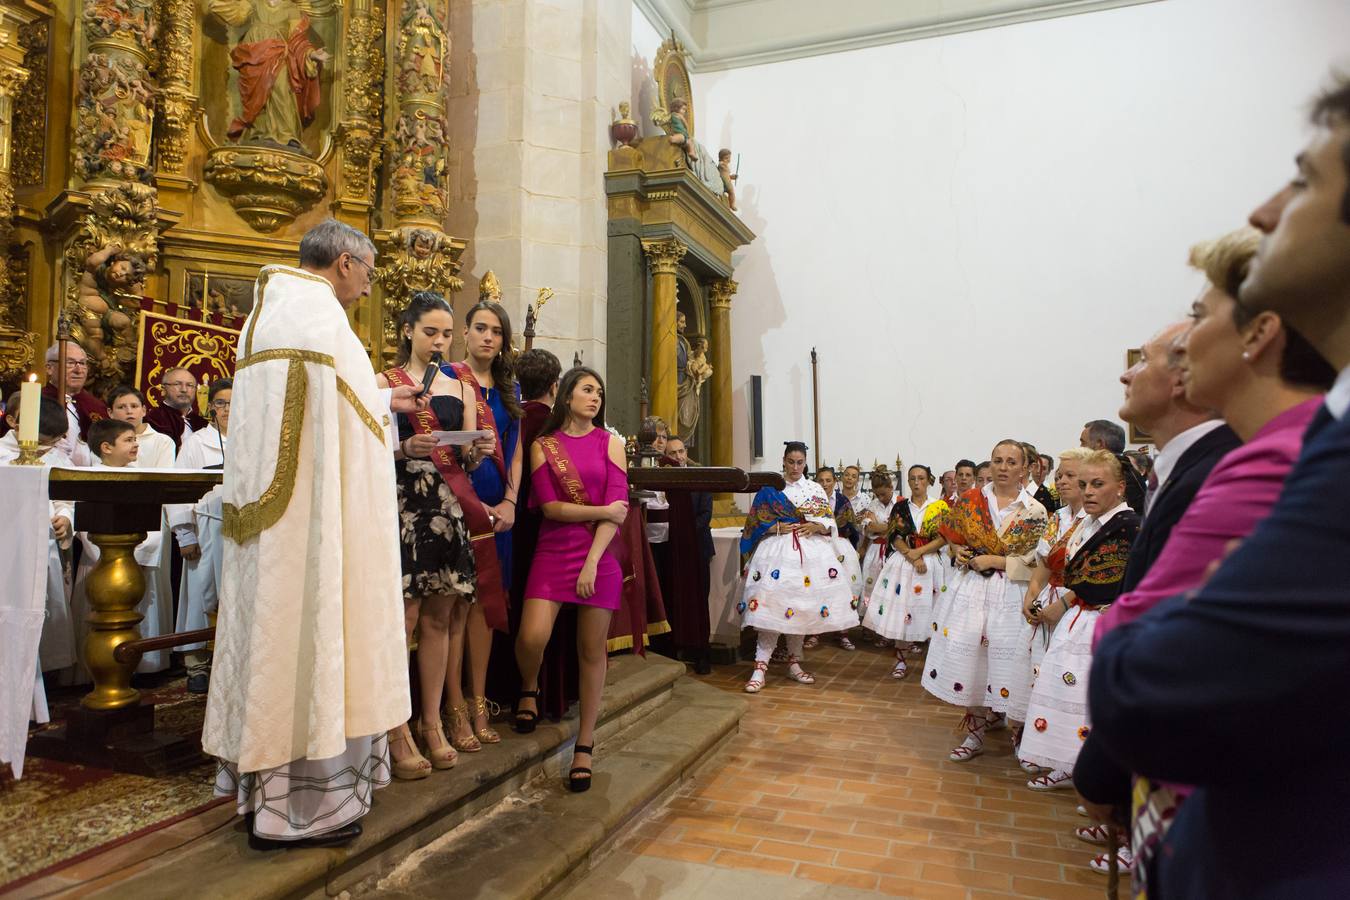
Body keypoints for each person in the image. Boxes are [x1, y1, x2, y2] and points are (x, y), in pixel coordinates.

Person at [1090, 78, 1350, 894]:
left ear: (1259, 336)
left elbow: (1147, 689)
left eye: (1306, 180)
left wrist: (1126, 639)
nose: (1268, 210)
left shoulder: (1278, 458)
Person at [202, 219, 422, 849]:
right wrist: (385, 407)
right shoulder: (320, 320)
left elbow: (329, 408)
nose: (368, 285)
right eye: (370, 272)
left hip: (272, 526)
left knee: (276, 641)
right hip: (313, 527)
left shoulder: (268, 315)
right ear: (346, 262)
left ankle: (264, 801)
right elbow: (346, 426)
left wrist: (379, 402)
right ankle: (304, 811)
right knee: (316, 638)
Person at [377, 292, 488, 776]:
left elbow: (465, 451)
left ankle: (431, 722)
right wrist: (404, 446)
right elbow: (364, 445)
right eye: (430, 332)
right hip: (402, 501)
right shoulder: (383, 382)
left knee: (441, 617)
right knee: (404, 618)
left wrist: (475, 450)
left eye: (446, 334)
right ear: (407, 330)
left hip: (447, 501)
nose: (440, 342)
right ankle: (393, 728)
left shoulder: (459, 384)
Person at [512, 367, 629, 793]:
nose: (595, 397)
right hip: (555, 550)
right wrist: (601, 512)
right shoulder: (545, 445)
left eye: (599, 391)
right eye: (586, 390)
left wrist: (593, 561)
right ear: (566, 395)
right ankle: (529, 686)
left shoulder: (611, 444)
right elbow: (552, 508)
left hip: (599, 555)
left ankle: (585, 743)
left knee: (590, 649)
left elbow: (618, 508)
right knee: (531, 637)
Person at [1018, 451, 1138, 800]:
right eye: (1083, 484)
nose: (1087, 492)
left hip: (1104, 620)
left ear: (1119, 486)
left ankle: (1101, 785)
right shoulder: (1084, 523)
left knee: (1091, 700)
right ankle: (1068, 763)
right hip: (1078, 618)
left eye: (1097, 484)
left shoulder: (1127, 526)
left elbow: (1114, 582)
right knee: (1066, 693)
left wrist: (1068, 601)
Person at [923, 439, 1048, 762]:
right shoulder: (970, 500)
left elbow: (1037, 564)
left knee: (1013, 664)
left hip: (1012, 594)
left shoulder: (1034, 511)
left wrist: (995, 561)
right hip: (972, 591)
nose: (1003, 467)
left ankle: (1020, 736)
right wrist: (957, 551)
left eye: (1011, 462)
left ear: (1025, 468)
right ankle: (975, 732)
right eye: (997, 461)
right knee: (973, 661)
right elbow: (951, 538)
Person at [446, 298, 523, 746]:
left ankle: (480, 700)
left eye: (496, 330)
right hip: (460, 506)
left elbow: (514, 452)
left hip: (501, 513)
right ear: (466, 333)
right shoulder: (450, 381)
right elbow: (446, 448)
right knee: (455, 608)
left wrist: (511, 502)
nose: (488, 336)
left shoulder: (509, 393)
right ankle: (454, 708)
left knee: (485, 608)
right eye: (480, 328)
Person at [737, 441, 858, 694]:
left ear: (805, 463)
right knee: (770, 608)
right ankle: (760, 667)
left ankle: (794, 663)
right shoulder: (770, 488)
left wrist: (816, 526)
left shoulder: (814, 488)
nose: (795, 467)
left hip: (809, 557)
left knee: (801, 609)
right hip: (777, 555)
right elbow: (754, 524)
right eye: (790, 462)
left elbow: (829, 524)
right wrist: (776, 528)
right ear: (783, 461)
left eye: (799, 462)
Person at [496, 348, 576, 718]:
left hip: (510, 528)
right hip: (551, 530)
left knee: (515, 608)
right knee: (549, 612)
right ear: (556, 385)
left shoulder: (508, 418)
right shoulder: (558, 426)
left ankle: (507, 687)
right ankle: (550, 690)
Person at [1019, 448, 1090, 759]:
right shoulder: (1056, 518)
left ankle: (1070, 754)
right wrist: (1029, 595)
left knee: (1069, 679)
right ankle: (1042, 744)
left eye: (1069, 475)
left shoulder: (1095, 521)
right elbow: (1043, 563)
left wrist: (1060, 603)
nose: (1061, 481)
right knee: (1041, 672)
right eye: (1059, 475)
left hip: (1077, 606)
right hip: (1048, 598)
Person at [3, 397, 77, 681]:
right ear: (13, 421)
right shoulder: (1, 453)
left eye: (52, 443)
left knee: (48, 610)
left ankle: (45, 677)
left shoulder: (57, 457)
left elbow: (66, 498)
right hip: (9, 547)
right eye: (42, 442)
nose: (45, 450)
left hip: (45, 547)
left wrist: (65, 517)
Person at [170, 377, 231, 694]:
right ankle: (196, 665)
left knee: (234, 598)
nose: (227, 410)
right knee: (200, 596)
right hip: (206, 528)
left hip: (240, 531)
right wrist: (184, 534)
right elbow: (178, 489)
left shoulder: (252, 440)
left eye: (234, 403)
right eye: (221, 403)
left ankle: (230, 661)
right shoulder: (197, 442)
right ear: (211, 407)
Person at [862, 464, 947, 678]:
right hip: (904, 562)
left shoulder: (939, 507)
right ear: (907, 482)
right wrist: (910, 554)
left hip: (930, 563)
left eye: (921, 478)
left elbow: (943, 537)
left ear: (929, 481)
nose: (917, 482)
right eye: (912, 478)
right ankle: (901, 660)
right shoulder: (900, 507)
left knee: (932, 610)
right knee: (903, 611)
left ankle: (933, 662)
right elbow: (894, 535)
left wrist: (919, 553)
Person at [657, 434, 715, 673]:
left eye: (682, 452)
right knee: (672, 598)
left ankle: (701, 652)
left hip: (697, 548)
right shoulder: (663, 480)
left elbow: (705, 514)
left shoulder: (699, 477)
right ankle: (672, 648)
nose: (679, 457)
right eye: (673, 453)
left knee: (698, 600)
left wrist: (686, 535)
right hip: (671, 550)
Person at [40, 341, 105, 466]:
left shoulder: (97, 406)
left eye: (82, 363)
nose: (78, 370)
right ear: (49, 368)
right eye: (70, 363)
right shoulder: (35, 402)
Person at [108, 385, 176, 469]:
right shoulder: (104, 441)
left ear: (143, 410)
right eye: (121, 407)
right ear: (110, 413)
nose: (129, 411)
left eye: (134, 406)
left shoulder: (163, 442)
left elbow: (164, 478)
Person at [145, 367, 207, 450]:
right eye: (177, 384)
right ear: (163, 389)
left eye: (190, 385)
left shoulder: (202, 424)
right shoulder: (152, 420)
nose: (184, 390)